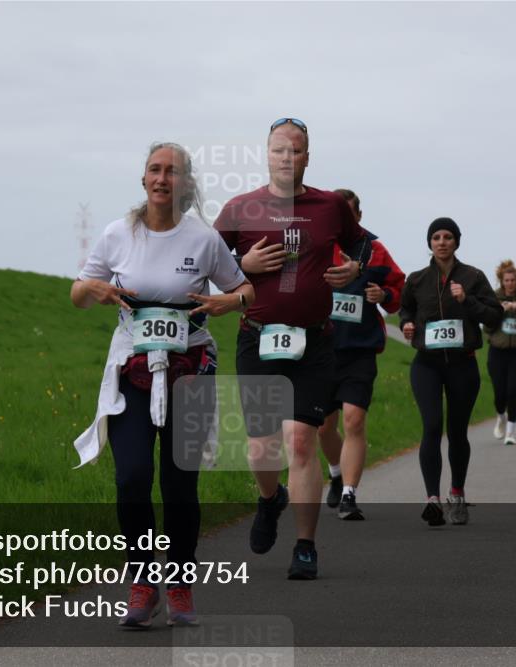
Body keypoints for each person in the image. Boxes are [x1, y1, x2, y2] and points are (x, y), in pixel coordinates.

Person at [72, 142, 254, 628]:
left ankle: (178, 586)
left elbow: (245, 289)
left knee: (179, 486)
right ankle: (141, 582)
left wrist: (229, 303)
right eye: (155, 169)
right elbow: (77, 293)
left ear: (186, 182)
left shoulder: (204, 239)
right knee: (132, 478)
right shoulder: (117, 234)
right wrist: (94, 289)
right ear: (143, 178)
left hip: (189, 371)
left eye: (172, 171)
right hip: (131, 372)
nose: (162, 178)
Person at [215, 117, 365, 579]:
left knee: (300, 440)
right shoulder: (240, 208)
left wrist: (354, 269)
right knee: (261, 449)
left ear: (307, 157)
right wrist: (242, 262)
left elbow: (362, 246)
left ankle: (305, 546)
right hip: (258, 339)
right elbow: (207, 265)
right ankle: (270, 498)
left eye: (295, 150)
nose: (287, 157)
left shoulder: (331, 205)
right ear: (267, 155)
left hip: (313, 341)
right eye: (279, 149)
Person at [399, 218, 503, 526]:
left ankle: (456, 493)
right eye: (436, 237)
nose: (442, 242)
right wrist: (407, 324)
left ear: (456, 242)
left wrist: (466, 300)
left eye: (447, 237)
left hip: (462, 363)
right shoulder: (417, 279)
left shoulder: (473, 277)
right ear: (429, 243)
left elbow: (494, 317)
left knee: (457, 432)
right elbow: (406, 309)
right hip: (427, 364)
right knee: (432, 425)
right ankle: (432, 499)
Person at [318, 189, 405, 520]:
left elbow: (398, 293)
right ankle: (336, 473)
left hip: (360, 349)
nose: (342, 220)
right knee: (324, 428)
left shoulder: (375, 250)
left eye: (348, 214)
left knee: (354, 419)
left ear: (359, 216)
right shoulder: (316, 245)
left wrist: (384, 294)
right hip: (321, 350)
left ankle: (349, 495)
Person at [484, 260, 516, 446]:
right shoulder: (492, 299)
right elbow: (487, 328)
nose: (510, 283)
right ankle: (501, 416)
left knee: (513, 392)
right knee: (500, 394)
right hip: (497, 352)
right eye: (506, 280)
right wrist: (500, 311)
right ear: (502, 281)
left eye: (513, 280)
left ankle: (510, 433)